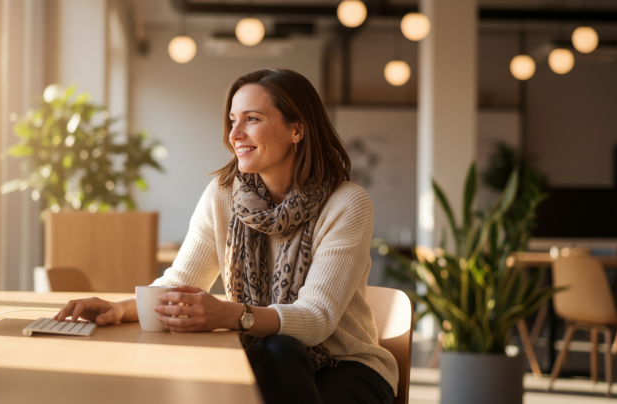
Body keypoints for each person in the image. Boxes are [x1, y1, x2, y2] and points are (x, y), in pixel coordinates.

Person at [54, 68, 398, 404]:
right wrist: (119, 309)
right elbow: (181, 281)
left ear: (297, 130)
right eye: (233, 120)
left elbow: (316, 318)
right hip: (265, 358)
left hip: (345, 366)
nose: (235, 133)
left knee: (279, 349)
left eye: (252, 119)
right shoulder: (223, 195)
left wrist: (231, 315)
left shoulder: (347, 203)